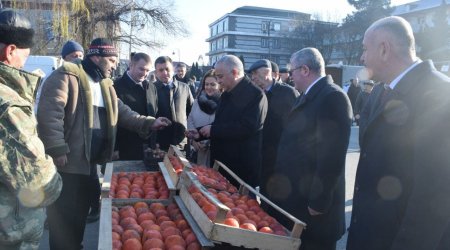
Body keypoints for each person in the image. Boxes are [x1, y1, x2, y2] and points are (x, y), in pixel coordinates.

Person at [37, 38, 171, 249]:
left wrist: (150, 122)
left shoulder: (105, 84)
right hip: (67, 164)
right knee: (62, 218)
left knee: (80, 212)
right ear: (96, 57)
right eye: (111, 60)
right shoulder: (66, 76)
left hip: (89, 164)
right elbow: (49, 114)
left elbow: (123, 112)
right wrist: (56, 149)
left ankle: (75, 245)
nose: (114, 65)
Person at [347, 16, 450, 250]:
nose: (362, 58)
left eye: (365, 49)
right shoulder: (379, 92)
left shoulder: (440, 95)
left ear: (384, 49)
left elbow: (434, 197)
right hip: (369, 235)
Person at [268, 48, 352, 250]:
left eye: (292, 70)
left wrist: (318, 202)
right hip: (299, 199)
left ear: (305, 70)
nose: (290, 76)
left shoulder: (332, 97)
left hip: (314, 209)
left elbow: (332, 157)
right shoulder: (309, 94)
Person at [0, 8, 62, 250]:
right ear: (11, 50)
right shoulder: (7, 104)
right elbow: (38, 184)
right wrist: (57, 181)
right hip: (9, 234)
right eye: (26, 56)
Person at [187, 55, 268, 188]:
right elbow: (221, 123)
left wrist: (213, 130)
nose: (218, 81)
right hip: (221, 166)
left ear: (235, 73)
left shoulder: (256, 95)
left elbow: (247, 127)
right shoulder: (226, 94)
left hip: (240, 170)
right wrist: (200, 133)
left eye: (220, 77)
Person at [248, 59, 298, 196]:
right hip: (262, 157)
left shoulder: (288, 93)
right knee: (265, 197)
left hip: (281, 158)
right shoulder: (255, 94)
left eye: (255, 74)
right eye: (251, 75)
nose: (252, 78)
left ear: (267, 72)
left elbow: (297, 127)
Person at [114, 52, 158, 160]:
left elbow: (155, 113)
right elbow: (112, 119)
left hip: (149, 149)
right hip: (125, 149)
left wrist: (155, 142)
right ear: (131, 65)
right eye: (141, 69)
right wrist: (115, 148)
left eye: (147, 70)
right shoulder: (116, 86)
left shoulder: (151, 87)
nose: (145, 73)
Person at [153, 56, 194, 151]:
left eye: (167, 69)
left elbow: (191, 112)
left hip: (181, 143)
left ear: (173, 69)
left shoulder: (185, 88)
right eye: (161, 70)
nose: (165, 73)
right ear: (156, 72)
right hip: (159, 144)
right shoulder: (150, 89)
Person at [187, 69, 221, 166]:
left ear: (219, 85)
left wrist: (208, 142)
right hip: (198, 149)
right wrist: (193, 140)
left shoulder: (224, 103)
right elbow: (190, 120)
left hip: (216, 151)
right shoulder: (197, 102)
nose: (209, 87)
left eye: (213, 84)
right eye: (206, 84)